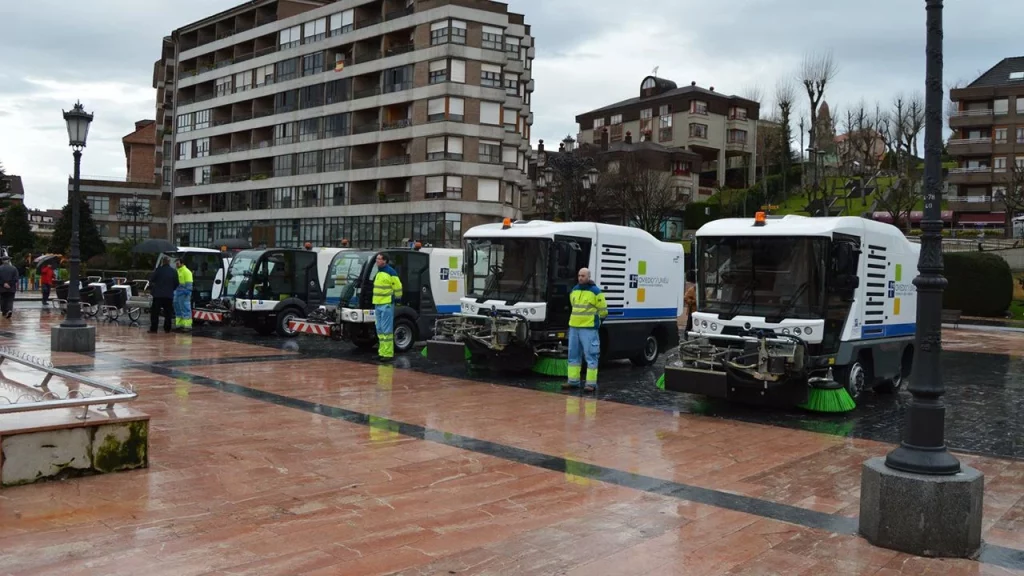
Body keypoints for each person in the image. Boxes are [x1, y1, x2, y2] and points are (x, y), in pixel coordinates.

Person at [565, 267, 608, 393]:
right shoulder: (575, 290)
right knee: (573, 355)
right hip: (574, 327)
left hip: (588, 329)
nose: (580, 278)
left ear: (589, 277)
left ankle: (591, 384)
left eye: (583, 276)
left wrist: (596, 322)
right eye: (579, 275)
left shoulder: (596, 292)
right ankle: (573, 381)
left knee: (591, 355)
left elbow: (603, 311)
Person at [371, 252, 403, 361]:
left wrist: (397, 299)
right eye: (376, 259)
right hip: (378, 304)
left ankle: (388, 354)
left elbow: (398, 287)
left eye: (379, 259)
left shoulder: (391, 272)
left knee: (386, 330)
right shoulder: (379, 273)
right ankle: (382, 352)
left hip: (387, 304)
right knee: (379, 329)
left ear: (385, 261)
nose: (377, 261)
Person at [148, 257, 178, 333]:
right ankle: (167, 328)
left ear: (162, 262)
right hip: (168, 295)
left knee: (155, 313)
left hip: (158, 295)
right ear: (169, 262)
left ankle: (154, 329)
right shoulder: (173, 271)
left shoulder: (158, 270)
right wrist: (171, 289)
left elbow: (151, 280)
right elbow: (176, 283)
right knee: (168, 313)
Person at [173, 258, 194, 332]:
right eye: (176, 263)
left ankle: (187, 326)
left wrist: (186, 292)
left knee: (185, 309)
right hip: (178, 293)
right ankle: (180, 325)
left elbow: (189, 285)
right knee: (178, 310)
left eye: (177, 263)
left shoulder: (187, 272)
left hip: (184, 294)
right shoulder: (178, 271)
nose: (176, 265)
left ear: (182, 263)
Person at [684, 269, 697, 336]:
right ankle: (686, 335)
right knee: (689, 325)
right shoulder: (691, 290)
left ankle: (696, 337)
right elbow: (685, 298)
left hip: (698, 311)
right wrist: (693, 302)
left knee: (696, 325)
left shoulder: (700, 290)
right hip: (692, 311)